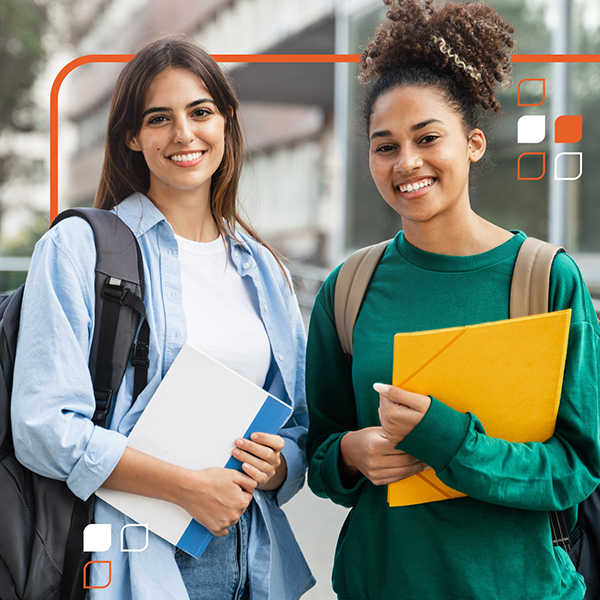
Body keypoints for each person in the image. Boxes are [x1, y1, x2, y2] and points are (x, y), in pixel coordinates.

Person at [305, 1, 600, 599]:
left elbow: (576, 468)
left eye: (427, 137)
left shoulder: (546, 279)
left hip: (515, 587)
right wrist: (351, 456)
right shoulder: (347, 289)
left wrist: (451, 441)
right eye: (384, 146)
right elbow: (320, 453)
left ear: (472, 143)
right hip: (381, 582)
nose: (406, 162)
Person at [12, 34, 314, 600]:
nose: (183, 134)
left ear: (226, 121)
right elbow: (42, 426)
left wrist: (275, 467)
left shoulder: (264, 268)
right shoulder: (79, 247)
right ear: (131, 136)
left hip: (250, 555)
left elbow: (296, 422)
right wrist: (185, 487)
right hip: (132, 558)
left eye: (200, 112)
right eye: (159, 118)